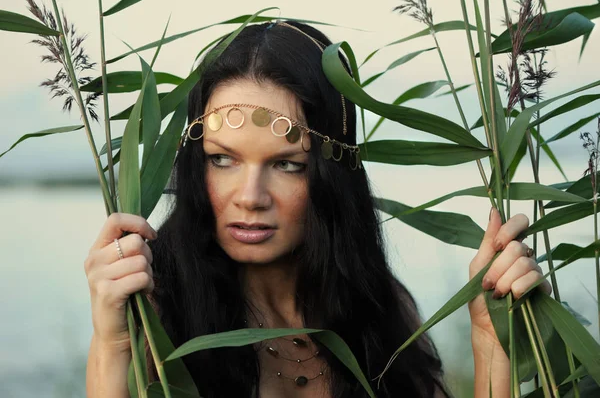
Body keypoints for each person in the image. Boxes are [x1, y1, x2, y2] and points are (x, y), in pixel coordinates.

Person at [84, 20, 551, 398]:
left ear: (331, 177)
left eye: (287, 164)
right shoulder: (155, 317)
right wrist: (112, 345)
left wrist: (492, 345)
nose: (249, 196)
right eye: (222, 159)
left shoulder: (378, 313)